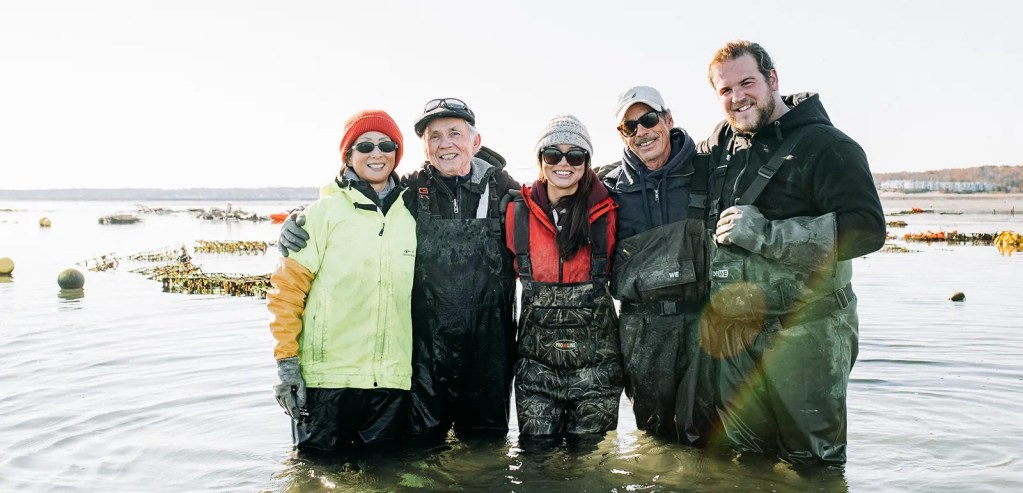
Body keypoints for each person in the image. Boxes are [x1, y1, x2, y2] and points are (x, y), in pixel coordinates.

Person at [279, 98, 520, 443]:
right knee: (418, 455)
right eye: (434, 136)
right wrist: (298, 219)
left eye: (455, 133)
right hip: (424, 357)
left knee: (486, 456)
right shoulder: (407, 190)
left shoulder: (505, 188)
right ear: (424, 147)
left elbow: (557, 199)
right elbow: (359, 196)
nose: (445, 143)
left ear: (475, 141)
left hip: (489, 353)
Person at [699, 40, 885, 465]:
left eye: (747, 83)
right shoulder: (722, 146)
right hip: (737, 338)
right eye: (725, 90)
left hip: (810, 333)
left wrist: (766, 233)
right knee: (743, 464)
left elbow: (869, 230)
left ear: (772, 80)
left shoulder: (829, 146)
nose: (737, 97)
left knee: (814, 465)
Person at [267, 109, 417, 451]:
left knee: (384, 483)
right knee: (314, 480)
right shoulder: (320, 215)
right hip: (325, 382)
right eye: (364, 146)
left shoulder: (412, 216)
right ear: (348, 155)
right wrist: (287, 367)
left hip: (390, 383)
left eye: (386, 144)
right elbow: (286, 293)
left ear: (397, 153)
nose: (376, 153)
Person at [597, 86, 714, 445]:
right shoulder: (608, 188)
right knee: (654, 442)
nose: (641, 132)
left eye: (648, 119)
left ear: (668, 119)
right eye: (628, 127)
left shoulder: (709, 170)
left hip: (706, 324)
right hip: (642, 330)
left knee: (710, 439)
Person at [506, 115, 623, 441]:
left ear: (587, 162)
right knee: (537, 463)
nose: (564, 164)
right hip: (535, 374)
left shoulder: (610, 210)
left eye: (575, 156)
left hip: (598, 372)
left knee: (589, 468)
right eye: (552, 154)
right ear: (540, 160)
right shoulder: (516, 212)